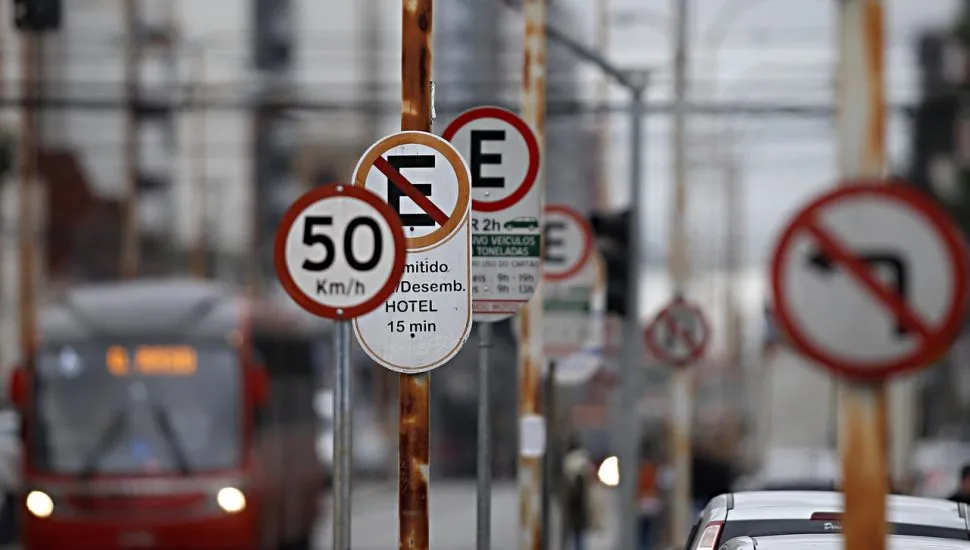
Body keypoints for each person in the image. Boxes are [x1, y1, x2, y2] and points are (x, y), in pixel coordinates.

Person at [562, 436, 593, 550]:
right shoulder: (583, 467)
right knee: (579, 538)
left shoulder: (570, 467)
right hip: (579, 510)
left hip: (575, 510)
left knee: (577, 538)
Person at [637, 443, 662, 550]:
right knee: (649, 529)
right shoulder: (653, 470)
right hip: (650, 501)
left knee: (645, 530)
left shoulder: (644, 470)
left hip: (646, 501)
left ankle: (646, 546)